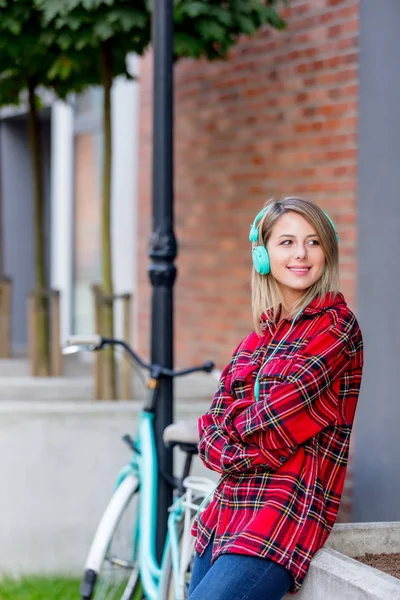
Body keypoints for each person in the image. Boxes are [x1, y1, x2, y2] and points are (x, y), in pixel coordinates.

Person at [188, 197, 364, 600]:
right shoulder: (258, 338)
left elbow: (276, 423)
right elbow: (210, 430)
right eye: (286, 242)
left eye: (313, 242)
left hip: (284, 514)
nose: (301, 253)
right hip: (225, 512)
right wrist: (236, 436)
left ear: (327, 252)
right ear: (263, 254)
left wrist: (234, 435)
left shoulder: (336, 329)